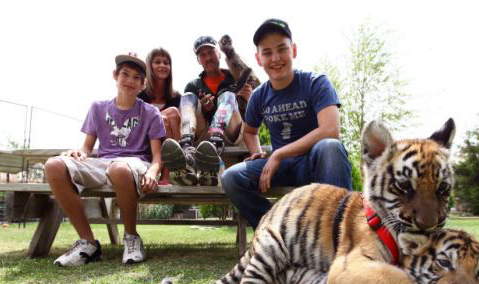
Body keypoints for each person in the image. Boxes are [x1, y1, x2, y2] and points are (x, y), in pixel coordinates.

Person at [221, 19, 353, 229]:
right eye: (267, 52)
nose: (275, 58)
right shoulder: (259, 96)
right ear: (258, 58)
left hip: (313, 161)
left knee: (330, 147)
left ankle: (340, 230)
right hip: (281, 167)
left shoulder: (316, 83)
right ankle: (278, 230)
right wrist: (257, 151)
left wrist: (279, 153)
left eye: (282, 49)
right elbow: (249, 131)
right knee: (230, 178)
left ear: (294, 50)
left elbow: (331, 130)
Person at [44, 53, 165, 266]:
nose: (130, 80)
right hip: (103, 163)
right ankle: (88, 243)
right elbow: (87, 148)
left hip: (135, 164)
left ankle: (131, 238)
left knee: (119, 168)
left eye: (136, 77)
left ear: (143, 84)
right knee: (54, 165)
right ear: (115, 76)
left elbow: (157, 156)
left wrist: (153, 173)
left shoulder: (151, 112)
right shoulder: (98, 108)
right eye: (125, 74)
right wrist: (79, 153)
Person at [161, 36, 253, 186]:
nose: (208, 57)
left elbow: (259, 109)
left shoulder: (235, 76)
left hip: (234, 133)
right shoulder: (193, 85)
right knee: (188, 97)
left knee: (227, 96)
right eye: (202, 55)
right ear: (198, 60)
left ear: (219, 54)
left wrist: (249, 97)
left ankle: (215, 145)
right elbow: (192, 113)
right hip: (204, 138)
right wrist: (203, 110)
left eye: (210, 52)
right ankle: (187, 149)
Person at [139, 47, 181, 185]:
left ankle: (166, 177)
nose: (162, 65)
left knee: (170, 117)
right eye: (157, 62)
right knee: (167, 116)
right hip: (144, 139)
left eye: (166, 62)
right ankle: (182, 161)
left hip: (165, 141)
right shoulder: (141, 94)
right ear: (149, 66)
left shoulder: (175, 96)